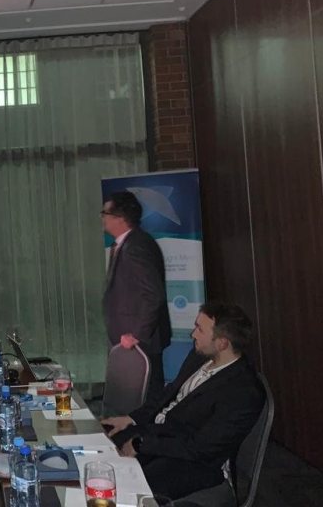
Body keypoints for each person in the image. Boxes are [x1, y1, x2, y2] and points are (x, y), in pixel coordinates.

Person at [101, 301, 266, 501]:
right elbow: (169, 393)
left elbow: (202, 448)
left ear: (222, 343)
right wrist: (131, 419)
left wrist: (141, 444)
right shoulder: (200, 356)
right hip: (163, 436)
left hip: (194, 461)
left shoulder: (243, 391)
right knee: (102, 449)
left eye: (200, 330)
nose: (193, 334)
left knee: (132, 485)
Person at [101, 190, 171, 403]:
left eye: (105, 213)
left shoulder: (137, 246)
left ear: (120, 218)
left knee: (144, 401)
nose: (102, 218)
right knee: (129, 401)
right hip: (128, 342)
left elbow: (153, 294)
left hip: (139, 342)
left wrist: (137, 334)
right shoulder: (125, 244)